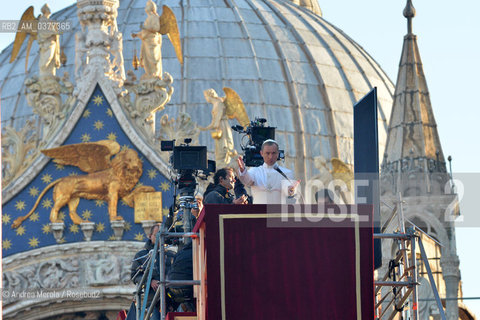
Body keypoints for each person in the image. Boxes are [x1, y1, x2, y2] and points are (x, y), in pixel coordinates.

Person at [237, 139, 299, 204]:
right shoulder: (255, 171)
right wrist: (242, 170)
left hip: (278, 212)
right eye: (267, 153)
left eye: (273, 153)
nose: (270, 157)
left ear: (278, 153)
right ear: (261, 153)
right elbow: (247, 182)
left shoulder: (286, 173)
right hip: (259, 212)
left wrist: (291, 190)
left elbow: (290, 192)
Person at [130, 224, 161, 320]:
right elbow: (134, 276)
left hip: (170, 300)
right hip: (152, 300)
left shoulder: (171, 255)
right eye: (157, 235)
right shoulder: (142, 256)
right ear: (150, 236)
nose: (160, 238)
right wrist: (150, 281)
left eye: (162, 235)